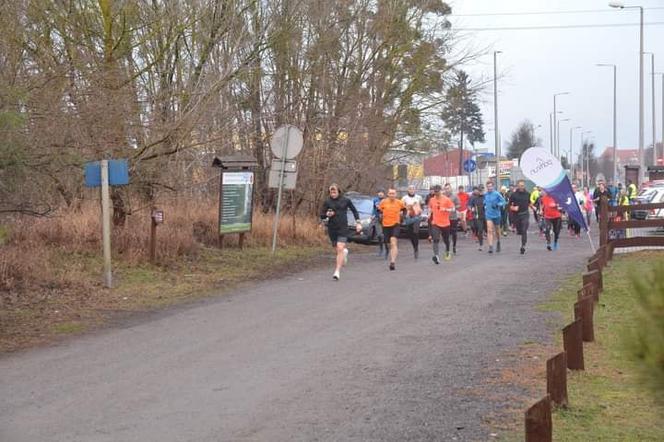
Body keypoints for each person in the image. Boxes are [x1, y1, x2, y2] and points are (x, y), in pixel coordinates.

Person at [320, 184, 362, 280]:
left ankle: (337, 271)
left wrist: (358, 223)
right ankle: (344, 252)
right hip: (332, 228)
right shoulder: (327, 202)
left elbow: (354, 211)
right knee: (338, 249)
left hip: (343, 227)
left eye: (334, 192)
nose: (333, 194)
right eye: (331, 192)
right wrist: (327, 214)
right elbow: (322, 215)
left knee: (339, 248)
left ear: (339, 192)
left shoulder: (345, 200)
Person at [378, 188, 407, 271]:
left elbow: (404, 210)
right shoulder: (383, 202)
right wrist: (380, 217)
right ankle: (389, 251)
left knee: (393, 241)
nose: (392, 195)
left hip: (395, 224)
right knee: (388, 243)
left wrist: (403, 217)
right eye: (390, 193)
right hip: (385, 225)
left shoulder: (399, 202)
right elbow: (379, 211)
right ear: (388, 194)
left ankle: (392, 262)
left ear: (396, 194)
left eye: (393, 193)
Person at [427, 185, 455, 263]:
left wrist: (445, 209)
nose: (436, 193)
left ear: (440, 191)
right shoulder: (432, 199)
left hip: (445, 223)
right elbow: (430, 207)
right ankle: (436, 256)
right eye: (435, 192)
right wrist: (429, 213)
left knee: (446, 239)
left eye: (437, 192)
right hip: (435, 222)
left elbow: (453, 209)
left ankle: (447, 251)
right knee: (435, 239)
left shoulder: (446, 199)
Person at [508, 179, 531, 254]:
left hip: (525, 214)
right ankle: (519, 231)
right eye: (520, 185)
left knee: (524, 230)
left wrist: (535, 208)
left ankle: (523, 246)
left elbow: (529, 203)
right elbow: (508, 206)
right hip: (517, 216)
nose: (522, 187)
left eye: (523, 185)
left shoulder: (527, 194)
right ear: (517, 186)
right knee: (520, 231)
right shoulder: (514, 195)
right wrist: (513, 208)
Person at [483, 181, 506, 254]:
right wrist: (484, 205)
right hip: (488, 215)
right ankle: (490, 246)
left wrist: (497, 205)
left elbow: (504, 202)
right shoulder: (485, 194)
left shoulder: (497, 194)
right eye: (488, 186)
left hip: (496, 215)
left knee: (497, 231)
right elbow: (484, 202)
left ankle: (498, 241)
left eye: (490, 186)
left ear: (493, 186)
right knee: (489, 230)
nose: (489, 188)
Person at [402, 185, 423, 259]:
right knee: (410, 234)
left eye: (413, 189)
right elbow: (402, 208)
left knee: (415, 232)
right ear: (408, 190)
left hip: (416, 217)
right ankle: (414, 246)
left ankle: (416, 248)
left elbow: (422, 206)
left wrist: (420, 211)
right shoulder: (404, 198)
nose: (411, 190)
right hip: (408, 217)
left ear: (415, 190)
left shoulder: (419, 197)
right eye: (410, 189)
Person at [444, 183, 461, 254]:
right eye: (446, 189)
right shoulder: (443, 196)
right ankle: (447, 248)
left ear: (451, 188)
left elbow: (459, 205)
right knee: (446, 234)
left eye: (448, 188)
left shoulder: (455, 196)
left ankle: (454, 246)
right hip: (444, 218)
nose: (447, 190)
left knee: (454, 233)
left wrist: (454, 207)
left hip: (453, 217)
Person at [468, 186, 486, 251]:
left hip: (487, 216)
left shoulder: (486, 197)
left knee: (488, 231)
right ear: (478, 191)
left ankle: (490, 245)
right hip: (478, 217)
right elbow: (469, 206)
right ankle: (481, 245)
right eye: (480, 191)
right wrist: (471, 209)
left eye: (482, 191)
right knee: (480, 231)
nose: (481, 192)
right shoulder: (474, 198)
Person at [372, 189, 386, 257]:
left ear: (384, 194)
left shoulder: (386, 200)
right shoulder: (375, 200)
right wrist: (373, 215)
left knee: (385, 235)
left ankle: (386, 248)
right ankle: (381, 248)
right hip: (377, 219)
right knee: (379, 235)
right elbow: (374, 208)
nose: (380, 194)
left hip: (385, 219)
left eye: (382, 193)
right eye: (379, 193)